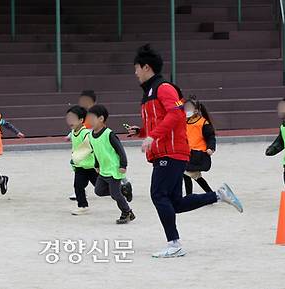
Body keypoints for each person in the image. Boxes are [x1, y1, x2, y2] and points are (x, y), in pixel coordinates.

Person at [126, 44, 243, 258]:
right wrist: (142, 131)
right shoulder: (149, 94)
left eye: (136, 68)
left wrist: (152, 136)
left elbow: (177, 115)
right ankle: (219, 195)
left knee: (158, 195)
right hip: (166, 152)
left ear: (146, 67)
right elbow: (161, 121)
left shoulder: (164, 88)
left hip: (171, 153)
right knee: (175, 203)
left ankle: (174, 244)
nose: (134, 73)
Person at [87, 104, 135, 224]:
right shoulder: (91, 135)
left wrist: (123, 165)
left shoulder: (109, 134)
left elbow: (120, 150)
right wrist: (96, 164)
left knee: (115, 195)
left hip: (114, 169)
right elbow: (96, 151)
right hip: (103, 170)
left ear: (101, 119)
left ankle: (127, 212)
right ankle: (123, 189)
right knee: (98, 191)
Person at [66, 105, 98, 215]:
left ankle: (122, 190)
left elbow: (90, 147)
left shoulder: (86, 133)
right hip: (80, 167)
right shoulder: (73, 132)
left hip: (91, 166)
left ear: (81, 120)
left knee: (101, 189)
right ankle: (82, 206)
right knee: (78, 186)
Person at [183, 97, 216, 195]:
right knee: (196, 176)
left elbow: (210, 137)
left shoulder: (203, 123)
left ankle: (189, 196)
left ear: (196, 111)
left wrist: (211, 148)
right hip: (188, 153)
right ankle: (211, 194)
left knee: (187, 174)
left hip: (199, 154)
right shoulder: (185, 121)